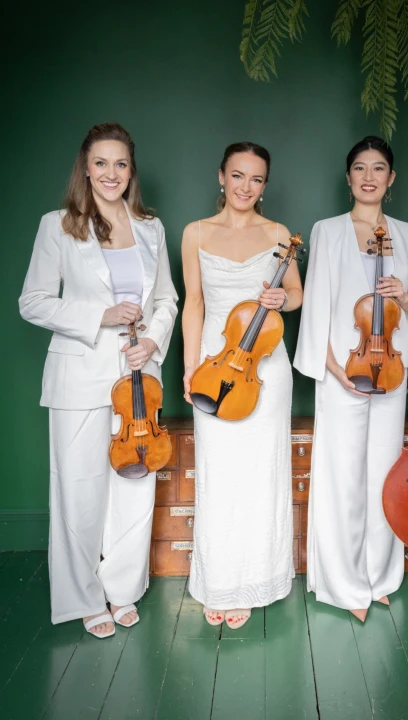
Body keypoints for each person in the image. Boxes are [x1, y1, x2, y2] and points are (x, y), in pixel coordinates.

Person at [19, 122, 178, 638]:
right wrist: (102, 316)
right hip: (80, 376)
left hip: (140, 378)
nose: (112, 173)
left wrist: (152, 340)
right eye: (102, 163)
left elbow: (167, 301)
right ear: (86, 168)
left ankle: (122, 589)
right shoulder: (58, 225)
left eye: (121, 163)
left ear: (132, 170)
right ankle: (83, 598)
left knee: (135, 485)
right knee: (79, 490)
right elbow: (33, 302)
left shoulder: (152, 228)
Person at [294, 136, 408, 621]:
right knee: (342, 477)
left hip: (389, 367)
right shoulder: (327, 231)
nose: (368, 176)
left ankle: (379, 576)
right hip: (342, 370)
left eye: (378, 169)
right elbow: (317, 309)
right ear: (348, 177)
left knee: (384, 475)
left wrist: (404, 296)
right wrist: (336, 371)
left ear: (391, 180)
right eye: (359, 168)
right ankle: (344, 583)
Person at [182, 142, 303, 629]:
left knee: (259, 472)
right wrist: (190, 368)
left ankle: (255, 581)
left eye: (256, 179)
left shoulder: (278, 235)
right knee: (219, 471)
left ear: (265, 185)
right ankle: (218, 581)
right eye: (238, 176)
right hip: (214, 363)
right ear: (221, 176)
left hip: (265, 368)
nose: (245, 187)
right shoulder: (194, 233)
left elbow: (296, 295)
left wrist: (283, 297)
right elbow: (194, 303)